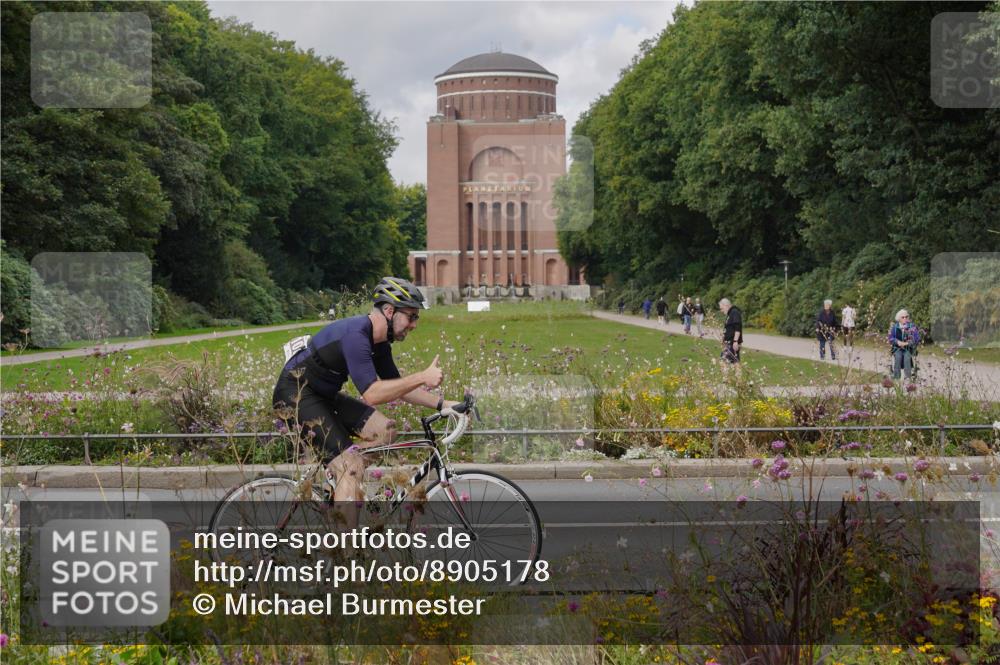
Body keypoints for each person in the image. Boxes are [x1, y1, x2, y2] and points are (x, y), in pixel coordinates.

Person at [273, 276, 461, 511]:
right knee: (349, 466)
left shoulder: (379, 343)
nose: (414, 324)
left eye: (416, 318)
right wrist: (423, 376)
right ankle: (346, 545)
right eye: (411, 316)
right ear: (390, 311)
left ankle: (344, 485)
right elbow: (372, 394)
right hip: (295, 395)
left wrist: (445, 404)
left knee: (385, 431)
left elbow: (398, 387)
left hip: (323, 396)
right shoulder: (356, 335)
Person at [888, 309, 921, 380]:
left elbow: (917, 338)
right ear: (899, 319)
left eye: (906, 317)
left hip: (908, 348)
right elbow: (891, 338)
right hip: (897, 348)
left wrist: (907, 343)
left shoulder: (912, 326)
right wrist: (897, 342)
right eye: (903, 317)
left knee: (907, 358)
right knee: (898, 357)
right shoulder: (895, 327)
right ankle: (896, 377)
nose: (905, 319)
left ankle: (908, 377)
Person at [719, 298, 742, 364]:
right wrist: (723, 337)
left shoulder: (734, 312)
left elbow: (737, 327)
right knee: (734, 362)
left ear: (726, 305)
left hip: (732, 343)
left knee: (724, 361)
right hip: (728, 342)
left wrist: (735, 341)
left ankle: (728, 374)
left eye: (721, 308)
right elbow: (728, 328)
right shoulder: (730, 314)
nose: (721, 310)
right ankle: (737, 374)